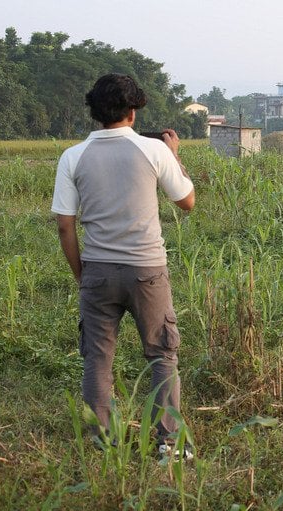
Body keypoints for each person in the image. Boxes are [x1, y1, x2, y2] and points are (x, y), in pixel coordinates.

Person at [51, 73, 195, 459]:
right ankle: (167, 445)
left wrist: (82, 273)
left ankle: (104, 444)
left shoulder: (73, 156)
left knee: (97, 358)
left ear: (96, 113)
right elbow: (186, 201)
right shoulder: (154, 150)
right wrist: (174, 152)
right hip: (147, 269)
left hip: (97, 269)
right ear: (132, 112)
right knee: (161, 356)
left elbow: (65, 223)